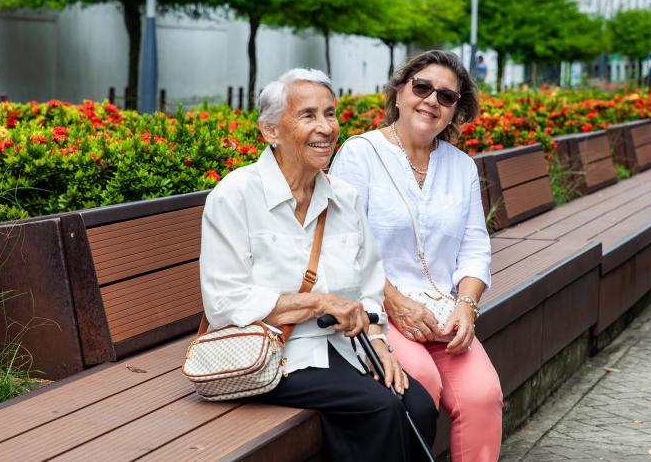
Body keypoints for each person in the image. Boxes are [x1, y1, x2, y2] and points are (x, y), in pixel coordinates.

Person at [199, 68, 437, 462]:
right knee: (379, 408)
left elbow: (369, 285)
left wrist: (381, 346)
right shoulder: (234, 196)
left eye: (330, 114)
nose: (326, 128)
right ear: (271, 131)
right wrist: (320, 303)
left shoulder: (345, 197)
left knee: (420, 406)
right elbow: (224, 302)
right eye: (308, 116)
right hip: (273, 355)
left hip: (345, 350)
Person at [330, 50, 503, 462]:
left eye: (447, 96)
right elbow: (344, 244)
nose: (432, 101)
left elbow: (475, 246)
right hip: (380, 311)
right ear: (399, 92)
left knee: (484, 396)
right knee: (420, 381)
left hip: (442, 315)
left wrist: (467, 305)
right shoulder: (361, 154)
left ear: (456, 111)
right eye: (422, 87)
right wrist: (396, 303)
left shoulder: (460, 166)